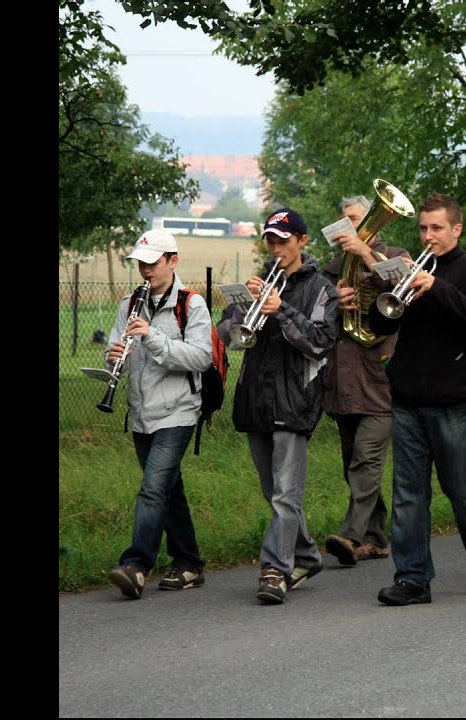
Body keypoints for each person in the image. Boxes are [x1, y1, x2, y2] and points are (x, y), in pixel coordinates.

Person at [367, 193, 466, 606]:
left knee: (462, 490)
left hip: (455, 401)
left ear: (456, 229)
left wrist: (436, 286)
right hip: (407, 399)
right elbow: (378, 325)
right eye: (423, 228)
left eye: (437, 228)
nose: (428, 236)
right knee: (408, 494)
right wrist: (388, 291)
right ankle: (413, 578)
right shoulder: (409, 271)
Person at [216, 209, 338, 604]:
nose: (276, 248)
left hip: (294, 401)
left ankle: (275, 570)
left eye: (283, 240)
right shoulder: (261, 281)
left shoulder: (321, 288)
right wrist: (242, 306)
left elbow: (320, 343)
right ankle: (307, 556)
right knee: (274, 493)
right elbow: (227, 336)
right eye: (270, 240)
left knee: (286, 494)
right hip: (256, 398)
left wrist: (280, 309)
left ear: (302, 241)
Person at [106, 229, 214, 600]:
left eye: (152, 262)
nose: (145, 270)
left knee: (153, 490)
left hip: (178, 412)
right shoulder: (129, 303)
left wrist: (153, 337)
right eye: (141, 263)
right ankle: (189, 563)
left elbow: (201, 357)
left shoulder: (192, 304)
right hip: (141, 411)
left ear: (173, 261)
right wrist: (114, 355)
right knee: (168, 490)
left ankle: (136, 565)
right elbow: (116, 347)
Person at [319, 194, 411, 568]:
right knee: (351, 464)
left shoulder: (397, 256)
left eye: (356, 218)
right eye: (345, 220)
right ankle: (375, 538)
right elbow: (315, 321)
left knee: (366, 460)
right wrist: (333, 304)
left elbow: (404, 287)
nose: (349, 226)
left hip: (381, 379)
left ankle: (350, 534)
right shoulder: (332, 269)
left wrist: (366, 254)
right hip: (343, 380)